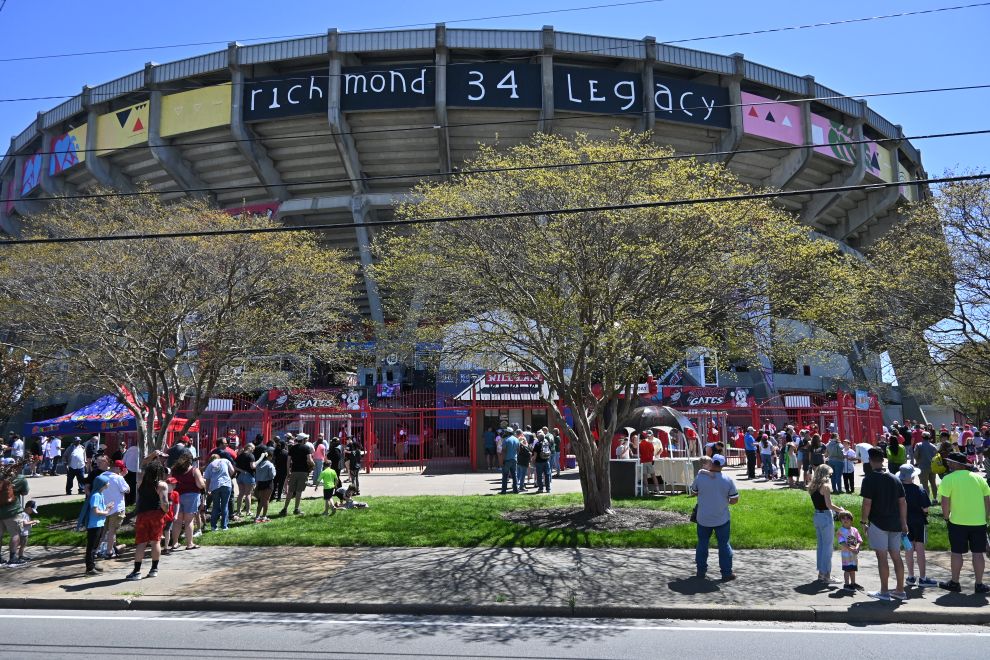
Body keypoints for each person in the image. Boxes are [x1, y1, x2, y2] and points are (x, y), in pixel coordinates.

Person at [937, 452, 990, 594]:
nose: (948, 463)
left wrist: (946, 517)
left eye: (950, 461)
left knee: (956, 553)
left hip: (957, 522)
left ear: (956, 464)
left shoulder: (948, 479)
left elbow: (945, 501)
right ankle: (979, 584)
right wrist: (984, 517)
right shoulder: (979, 479)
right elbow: (987, 499)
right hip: (978, 522)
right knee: (978, 553)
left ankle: (955, 582)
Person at [860, 448, 909, 601]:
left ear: (870, 460)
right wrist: (904, 523)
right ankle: (900, 590)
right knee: (896, 556)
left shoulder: (869, 479)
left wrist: (863, 521)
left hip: (878, 523)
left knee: (882, 557)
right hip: (895, 523)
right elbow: (903, 502)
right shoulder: (895, 478)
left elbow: (867, 503)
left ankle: (884, 591)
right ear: (883, 460)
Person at [690, 454, 739, 581]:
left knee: (702, 543)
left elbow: (693, 491)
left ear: (711, 463)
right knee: (724, 544)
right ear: (722, 465)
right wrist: (723, 501)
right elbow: (734, 500)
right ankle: (726, 573)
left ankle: (701, 571)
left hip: (703, 518)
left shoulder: (700, 477)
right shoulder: (728, 479)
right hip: (721, 518)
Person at [126, 462, 169, 581]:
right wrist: (165, 511)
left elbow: (143, 463)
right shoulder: (162, 485)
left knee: (141, 543)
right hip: (156, 514)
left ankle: (136, 571)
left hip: (142, 514)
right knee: (156, 541)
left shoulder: (140, 482)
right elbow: (165, 503)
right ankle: (154, 569)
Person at [808, 464, 848, 584]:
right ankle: (827, 575)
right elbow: (829, 505)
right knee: (828, 547)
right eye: (829, 474)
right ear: (825, 474)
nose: (830, 476)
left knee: (821, 546)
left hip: (817, 515)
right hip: (825, 516)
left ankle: (821, 573)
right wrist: (842, 510)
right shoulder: (825, 486)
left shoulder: (812, 486)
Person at [899, 464, 937, 588]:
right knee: (920, 549)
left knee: (908, 549)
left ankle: (910, 576)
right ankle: (923, 578)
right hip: (919, 522)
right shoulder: (919, 489)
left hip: (904, 523)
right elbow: (925, 509)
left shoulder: (898, 490)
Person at [169, 454, 205, 550]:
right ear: (190, 460)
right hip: (191, 496)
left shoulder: (174, 471)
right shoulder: (194, 470)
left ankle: (175, 543)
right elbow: (200, 485)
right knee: (189, 521)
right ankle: (189, 544)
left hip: (177, 496)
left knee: (177, 521)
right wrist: (204, 482)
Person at [84, 475, 114, 575]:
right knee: (91, 547)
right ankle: (89, 568)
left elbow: (99, 508)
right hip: (94, 525)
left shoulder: (100, 494)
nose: (108, 484)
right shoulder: (96, 495)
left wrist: (106, 507)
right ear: (102, 484)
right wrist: (106, 512)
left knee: (95, 546)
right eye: (107, 482)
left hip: (99, 523)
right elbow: (95, 511)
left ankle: (92, 564)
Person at [100, 460, 130, 559]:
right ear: (117, 468)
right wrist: (122, 476)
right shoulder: (118, 478)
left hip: (104, 508)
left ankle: (100, 550)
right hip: (116, 508)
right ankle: (109, 552)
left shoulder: (102, 475)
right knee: (112, 531)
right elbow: (127, 489)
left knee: (104, 530)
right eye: (121, 469)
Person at [279, 435, 314, 516]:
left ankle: (284, 509)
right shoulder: (306, 448)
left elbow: (288, 461)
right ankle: (296, 509)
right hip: (303, 471)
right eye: (305, 439)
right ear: (303, 440)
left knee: (290, 491)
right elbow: (309, 460)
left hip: (294, 471)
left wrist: (288, 472)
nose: (306, 440)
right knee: (299, 491)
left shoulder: (292, 448)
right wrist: (313, 464)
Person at [0, 469, 29, 566]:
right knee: (15, 534)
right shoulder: (20, 478)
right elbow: (25, 492)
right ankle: (13, 557)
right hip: (13, 511)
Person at [202, 453, 235, 532]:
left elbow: (207, 479)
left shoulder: (210, 465)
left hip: (215, 486)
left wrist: (207, 491)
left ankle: (213, 526)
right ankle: (224, 526)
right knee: (225, 505)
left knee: (215, 506)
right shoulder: (225, 460)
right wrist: (228, 476)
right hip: (226, 484)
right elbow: (232, 471)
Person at [836, 512, 863, 591]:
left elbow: (859, 540)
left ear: (851, 520)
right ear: (840, 520)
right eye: (843, 518)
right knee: (847, 569)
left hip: (854, 554)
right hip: (846, 554)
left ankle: (853, 583)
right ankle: (847, 584)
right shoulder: (840, 531)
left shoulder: (854, 530)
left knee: (853, 569)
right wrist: (851, 549)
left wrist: (857, 547)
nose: (845, 520)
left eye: (847, 518)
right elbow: (842, 542)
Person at [233, 443, 257, 517]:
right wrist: (257, 464)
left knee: (241, 494)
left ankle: (238, 511)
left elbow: (234, 466)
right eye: (253, 448)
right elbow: (252, 466)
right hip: (249, 476)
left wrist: (241, 470)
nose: (253, 450)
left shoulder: (240, 456)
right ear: (249, 448)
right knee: (248, 494)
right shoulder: (251, 456)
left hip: (240, 476)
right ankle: (248, 511)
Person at [914, 431, 938, 500]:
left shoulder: (918, 445)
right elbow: (936, 456)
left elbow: (915, 455)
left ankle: (926, 499)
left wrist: (918, 462)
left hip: (922, 467)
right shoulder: (933, 446)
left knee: (924, 484)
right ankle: (935, 498)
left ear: (922, 437)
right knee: (933, 483)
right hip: (932, 467)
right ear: (929, 437)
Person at [253, 448, 275, 523]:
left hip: (260, 483)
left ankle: (257, 516)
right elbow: (272, 475)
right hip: (268, 483)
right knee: (266, 500)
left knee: (261, 500)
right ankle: (263, 516)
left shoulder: (258, 464)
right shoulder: (270, 464)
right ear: (269, 456)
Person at [500, 429, 520, 494]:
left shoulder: (505, 440)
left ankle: (504, 490)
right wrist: (515, 456)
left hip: (507, 460)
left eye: (506, 432)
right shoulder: (516, 439)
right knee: (514, 475)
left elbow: (503, 451)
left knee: (505, 475)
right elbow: (518, 450)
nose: (505, 432)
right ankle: (515, 489)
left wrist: (502, 460)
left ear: (508, 433)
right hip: (514, 459)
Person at [122, 441, 140, 506]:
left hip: (127, 470)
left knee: (127, 486)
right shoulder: (140, 451)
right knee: (133, 487)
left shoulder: (129, 449)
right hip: (136, 471)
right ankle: (132, 501)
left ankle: (127, 501)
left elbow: (123, 460)